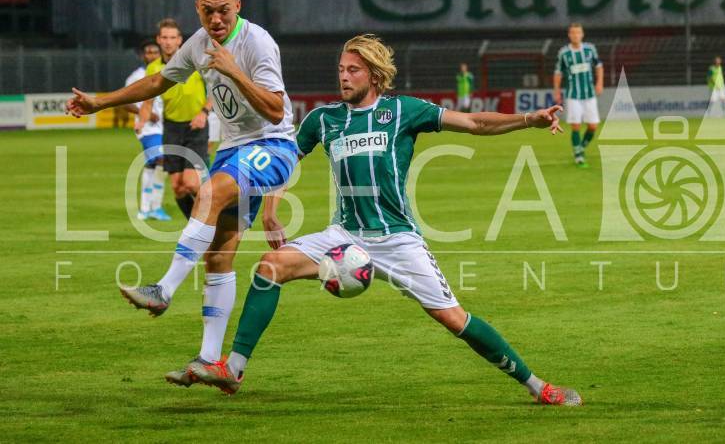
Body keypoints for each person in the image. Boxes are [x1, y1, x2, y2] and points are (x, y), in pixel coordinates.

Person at [187, 34, 581, 407]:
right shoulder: (323, 119)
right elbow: (284, 160)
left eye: (353, 70)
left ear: (374, 75)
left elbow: (474, 123)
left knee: (453, 318)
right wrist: (271, 209)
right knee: (270, 267)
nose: (343, 76)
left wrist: (528, 119)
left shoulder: (404, 111)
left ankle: (538, 386)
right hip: (344, 235)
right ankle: (233, 369)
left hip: (397, 239)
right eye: (341, 69)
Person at [65, 0, 297, 384]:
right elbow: (158, 83)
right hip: (233, 149)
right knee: (218, 254)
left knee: (207, 192)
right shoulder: (198, 43)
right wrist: (101, 101)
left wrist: (232, 69)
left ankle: (164, 289)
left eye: (224, 9)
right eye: (208, 10)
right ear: (197, 8)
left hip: (272, 145)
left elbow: (276, 110)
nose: (216, 18)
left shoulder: (257, 42)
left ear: (238, 5)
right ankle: (210, 360)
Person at [140, 18, 211, 220]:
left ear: (180, 40)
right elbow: (147, 101)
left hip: (195, 127)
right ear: (158, 39)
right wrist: (141, 121)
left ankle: (213, 217)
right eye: (164, 37)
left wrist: (204, 112)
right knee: (178, 188)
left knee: (191, 183)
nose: (168, 42)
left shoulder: (194, 61)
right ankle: (196, 227)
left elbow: (216, 89)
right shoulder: (153, 68)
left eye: (172, 37)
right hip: (171, 129)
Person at [122, 39, 171, 221]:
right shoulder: (136, 77)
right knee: (160, 159)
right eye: (148, 52)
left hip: (167, 127)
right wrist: (146, 114)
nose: (152, 55)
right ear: (143, 56)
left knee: (154, 165)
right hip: (148, 128)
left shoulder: (166, 72)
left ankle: (149, 208)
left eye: (155, 52)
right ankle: (151, 207)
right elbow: (125, 103)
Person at [553, 23, 603, 168]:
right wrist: (556, 90)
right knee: (576, 126)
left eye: (578, 32)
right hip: (573, 95)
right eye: (573, 33)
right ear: (569, 35)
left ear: (582, 34)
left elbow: (599, 66)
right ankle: (579, 155)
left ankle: (580, 147)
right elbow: (558, 72)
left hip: (589, 94)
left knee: (593, 126)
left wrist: (599, 82)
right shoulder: (564, 53)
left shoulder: (590, 49)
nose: (576, 35)